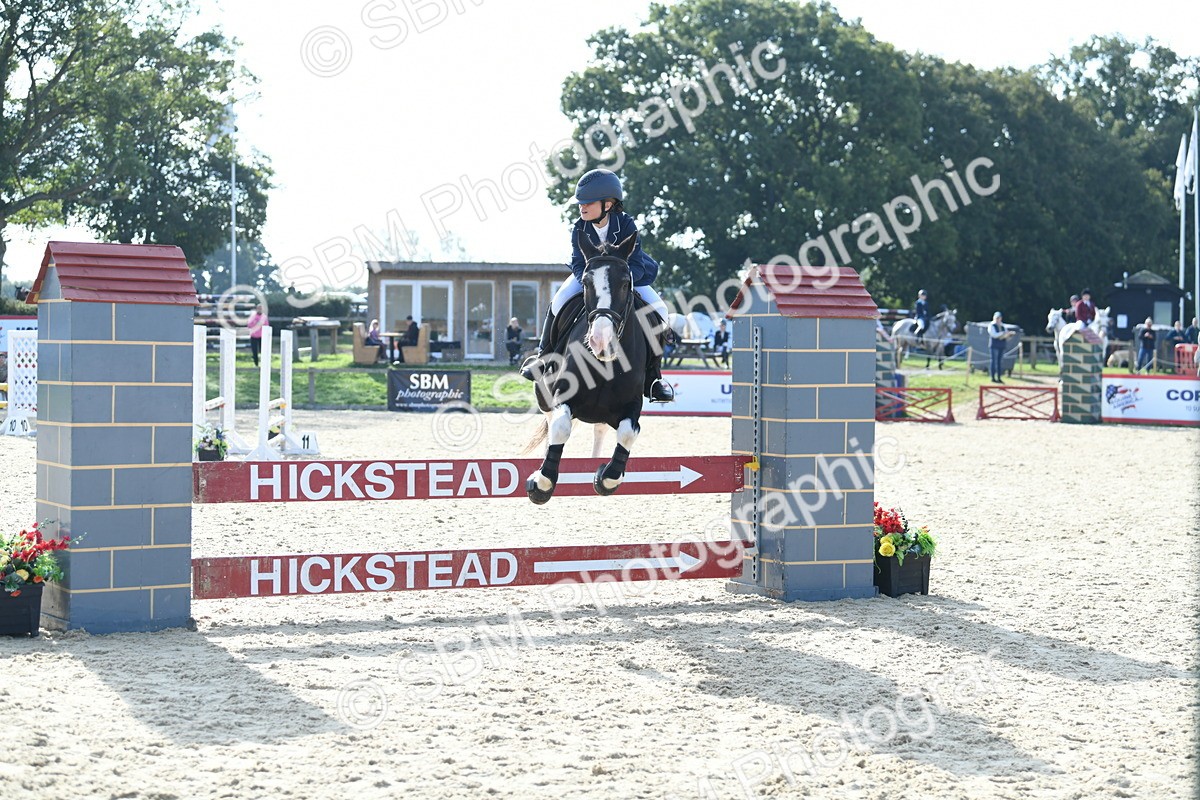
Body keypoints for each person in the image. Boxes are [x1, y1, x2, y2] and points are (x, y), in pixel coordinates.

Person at [520, 168, 674, 402]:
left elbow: (636, 262)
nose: (582, 207)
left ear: (608, 204)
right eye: (581, 203)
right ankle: (544, 356)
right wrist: (587, 280)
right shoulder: (579, 227)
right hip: (589, 277)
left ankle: (653, 378)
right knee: (559, 301)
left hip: (626, 278)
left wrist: (618, 282)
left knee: (661, 311)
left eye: (588, 203)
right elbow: (577, 262)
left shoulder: (626, 225)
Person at [987, 311, 1011, 383]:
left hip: (1001, 345)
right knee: (993, 361)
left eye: (999, 318)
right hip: (994, 345)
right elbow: (994, 335)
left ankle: (999, 377)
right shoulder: (991, 325)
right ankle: (993, 377)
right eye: (997, 318)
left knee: (999, 362)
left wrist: (1008, 334)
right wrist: (1003, 334)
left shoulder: (1003, 326)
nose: (998, 319)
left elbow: (1006, 334)